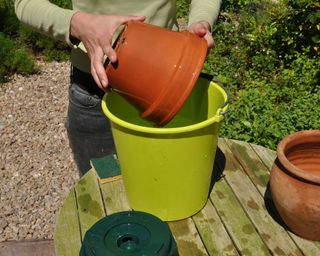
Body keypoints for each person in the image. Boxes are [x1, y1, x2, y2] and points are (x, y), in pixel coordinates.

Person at [14, 0, 222, 175]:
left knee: (172, 183)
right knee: (106, 194)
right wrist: (79, 24)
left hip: (170, 83)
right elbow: (25, 3)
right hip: (94, 95)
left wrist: (201, 21)